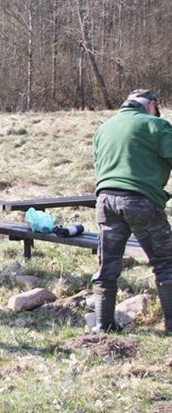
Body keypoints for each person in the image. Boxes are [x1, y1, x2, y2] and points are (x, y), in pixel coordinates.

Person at [91, 89, 172, 335]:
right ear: (151, 105)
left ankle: (103, 325)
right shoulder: (156, 125)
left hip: (105, 201)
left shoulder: (104, 128)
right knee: (166, 263)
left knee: (107, 265)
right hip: (141, 201)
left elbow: (99, 166)